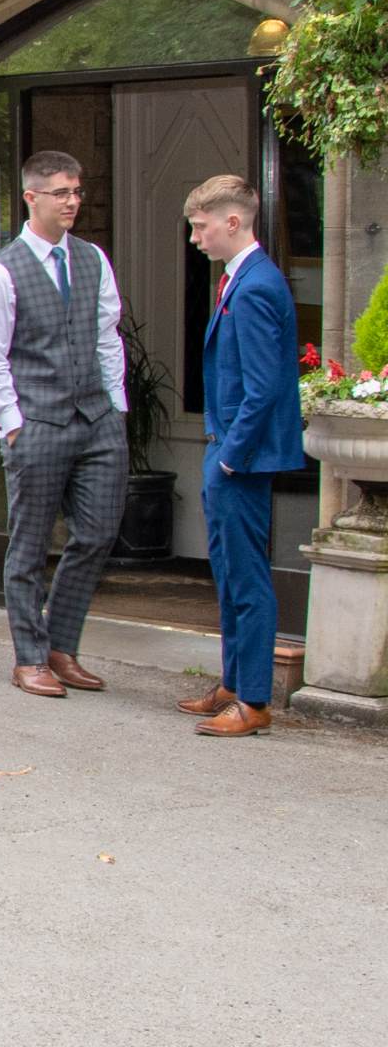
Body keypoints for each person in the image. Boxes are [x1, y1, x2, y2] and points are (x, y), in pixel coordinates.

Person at [0, 150, 128, 697]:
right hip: (37, 422)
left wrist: (117, 406)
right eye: (61, 193)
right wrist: (12, 425)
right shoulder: (1, 272)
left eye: (77, 192)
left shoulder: (92, 259)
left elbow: (107, 335)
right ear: (31, 197)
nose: (72, 201)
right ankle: (30, 657)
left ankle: (62, 647)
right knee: (30, 545)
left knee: (98, 534)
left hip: (97, 419)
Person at [181, 174, 304, 737]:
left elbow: (263, 388)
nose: (195, 239)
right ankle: (233, 684)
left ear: (233, 222)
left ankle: (253, 701)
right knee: (229, 573)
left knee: (247, 578)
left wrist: (230, 457)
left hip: (241, 458)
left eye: (200, 227)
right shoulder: (241, 279)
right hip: (230, 452)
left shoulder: (255, 286)